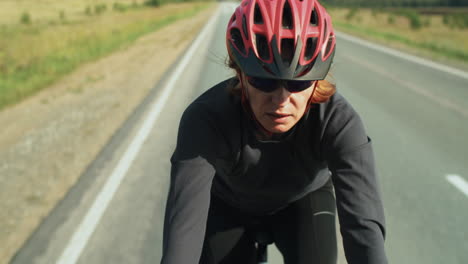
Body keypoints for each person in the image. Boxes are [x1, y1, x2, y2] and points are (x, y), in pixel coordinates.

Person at [161, 0, 388, 263]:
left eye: (298, 82)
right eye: (264, 81)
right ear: (240, 73)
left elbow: (363, 229)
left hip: (303, 201)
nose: (281, 100)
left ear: (318, 79)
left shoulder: (338, 121)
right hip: (227, 206)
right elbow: (181, 239)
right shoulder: (205, 119)